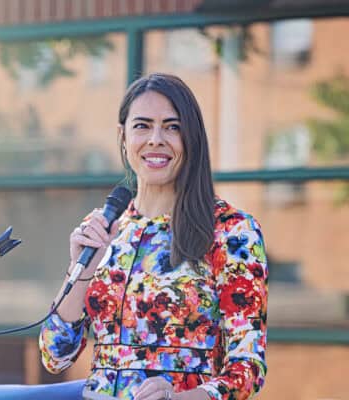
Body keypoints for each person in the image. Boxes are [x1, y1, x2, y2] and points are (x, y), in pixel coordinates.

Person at [39, 73, 268, 400]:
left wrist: (178, 398)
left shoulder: (232, 231)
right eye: (142, 126)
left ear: (192, 138)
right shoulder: (104, 226)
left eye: (172, 127)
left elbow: (248, 368)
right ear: (123, 136)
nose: (156, 139)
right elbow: (55, 355)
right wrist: (80, 270)